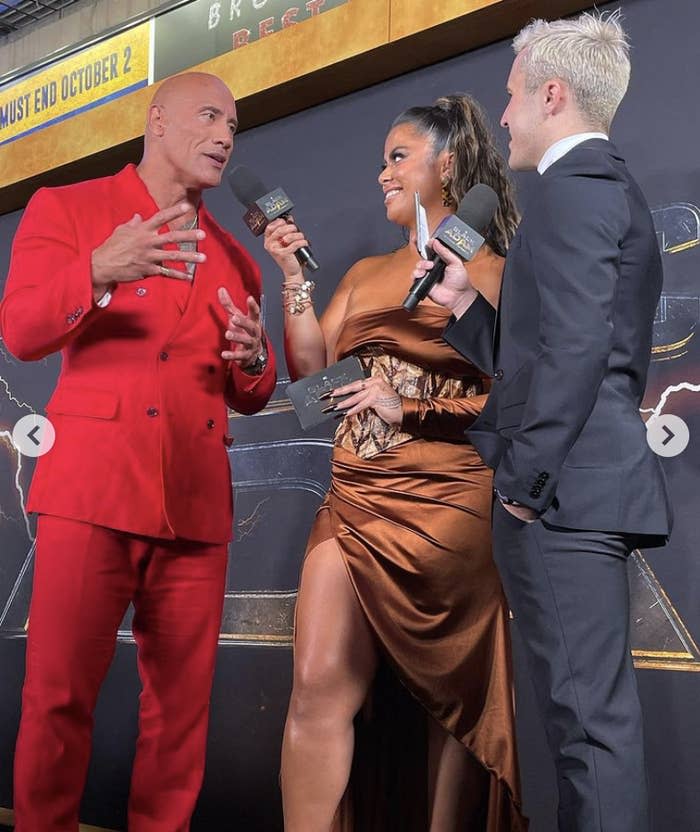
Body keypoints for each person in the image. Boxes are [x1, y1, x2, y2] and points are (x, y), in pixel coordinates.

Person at [0, 72, 276, 831]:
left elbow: (248, 390)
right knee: (57, 700)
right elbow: (20, 331)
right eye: (209, 116)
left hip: (195, 510)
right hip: (89, 494)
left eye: (234, 123)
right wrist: (95, 270)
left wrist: (254, 359)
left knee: (180, 719)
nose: (225, 134)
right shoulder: (69, 208)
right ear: (156, 121)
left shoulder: (237, 257)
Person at [418, 13, 672, 832]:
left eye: (513, 95)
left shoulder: (575, 190)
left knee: (588, 730)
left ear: (552, 94)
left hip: (562, 494)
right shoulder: (591, 191)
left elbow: (576, 353)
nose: (504, 115)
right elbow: (550, 350)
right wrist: (463, 312)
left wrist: (523, 489)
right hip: (576, 488)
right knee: (581, 722)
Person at [264, 94, 527, 831]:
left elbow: (523, 396)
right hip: (353, 500)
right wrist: (292, 277)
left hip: (452, 507)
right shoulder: (366, 273)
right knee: (317, 685)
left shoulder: (496, 271)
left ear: (446, 164)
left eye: (397, 157)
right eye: (382, 159)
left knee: (454, 708)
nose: (381, 173)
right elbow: (311, 374)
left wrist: (405, 405)